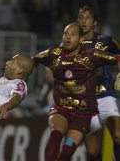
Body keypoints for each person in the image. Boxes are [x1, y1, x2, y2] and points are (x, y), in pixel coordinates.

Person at [32, 23, 120, 161]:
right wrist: (19, 78)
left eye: (73, 35)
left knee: (68, 149)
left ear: (80, 39)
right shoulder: (53, 54)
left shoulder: (91, 55)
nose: (68, 38)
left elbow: (117, 58)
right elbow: (33, 60)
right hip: (61, 109)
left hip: (82, 116)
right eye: (66, 34)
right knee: (56, 135)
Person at [78, 5, 120, 161]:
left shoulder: (105, 41)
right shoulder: (71, 42)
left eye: (87, 17)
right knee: (93, 151)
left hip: (105, 94)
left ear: (95, 22)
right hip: (83, 100)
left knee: (117, 135)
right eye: (81, 17)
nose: (83, 20)